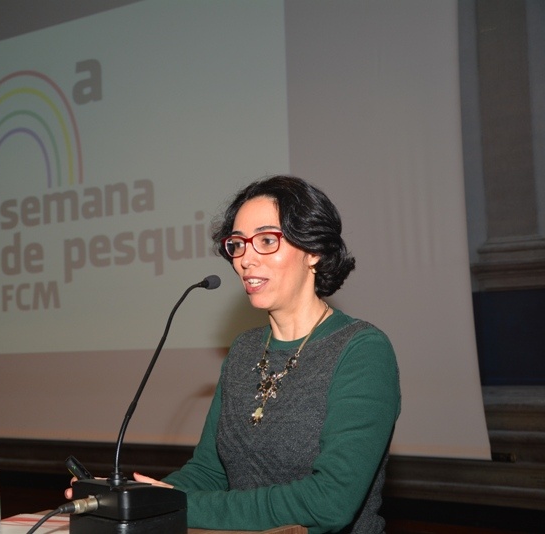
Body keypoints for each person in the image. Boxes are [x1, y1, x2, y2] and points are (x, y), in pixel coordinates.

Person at [68, 175, 401, 533]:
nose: (245, 259)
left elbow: (329, 503)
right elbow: (210, 472)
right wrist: (137, 499)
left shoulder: (362, 350)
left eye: (267, 241)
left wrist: (182, 506)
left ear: (314, 250)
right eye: (238, 244)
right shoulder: (244, 350)